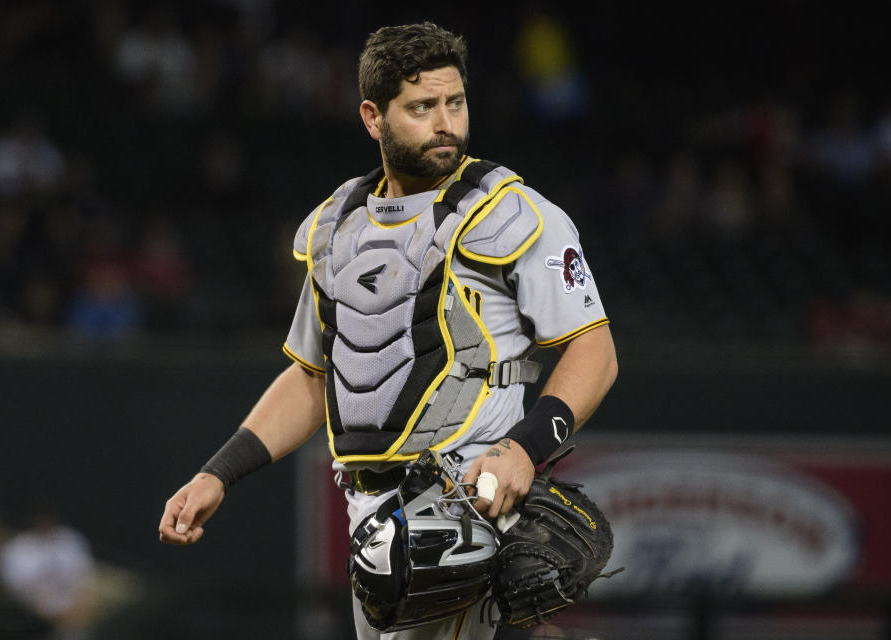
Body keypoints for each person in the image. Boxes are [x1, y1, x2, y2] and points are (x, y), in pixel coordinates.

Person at [159, 22, 617, 640]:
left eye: (454, 103)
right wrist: (219, 471)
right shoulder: (337, 227)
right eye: (422, 107)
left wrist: (523, 448)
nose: (445, 123)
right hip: (368, 514)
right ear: (373, 117)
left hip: (466, 499)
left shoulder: (514, 214)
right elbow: (311, 375)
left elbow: (594, 350)